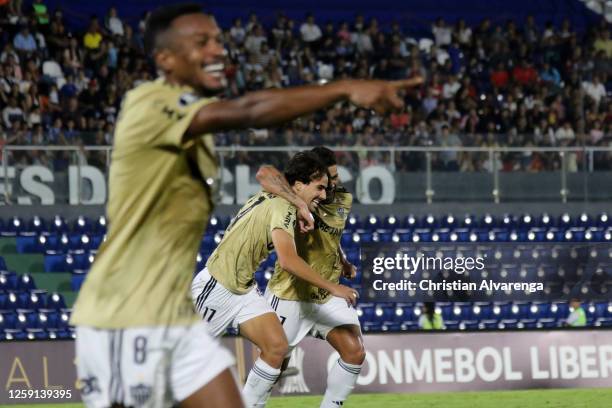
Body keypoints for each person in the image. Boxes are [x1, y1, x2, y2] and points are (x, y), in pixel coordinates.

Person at [71, 3, 422, 407]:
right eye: (201, 42)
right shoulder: (149, 104)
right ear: (165, 59)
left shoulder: (194, 130)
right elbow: (249, 112)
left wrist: (302, 206)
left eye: (218, 40)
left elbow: (269, 175)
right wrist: (342, 89)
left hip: (184, 308)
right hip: (130, 313)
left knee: (262, 364)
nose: (218, 50)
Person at [191, 152, 359, 408]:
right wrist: (333, 287)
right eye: (319, 188)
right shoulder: (283, 208)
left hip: (244, 291)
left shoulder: (283, 199)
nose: (324, 195)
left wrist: (302, 208)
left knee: (276, 347)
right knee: (179, 364)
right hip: (216, 286)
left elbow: (267, 174)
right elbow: (288, 261)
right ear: (299, 185)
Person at [257, 146, 365, 408]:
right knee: (275, 366)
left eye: (335, 179)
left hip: (324, 297)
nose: (332, 187)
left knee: (354, 351)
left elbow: (332, 234)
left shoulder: (342, 200)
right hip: (290, 295)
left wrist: (343, 260)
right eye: (326, 182)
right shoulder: (291, 199)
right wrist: (297, 201)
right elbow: (265, 177)